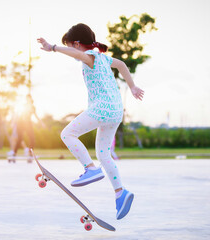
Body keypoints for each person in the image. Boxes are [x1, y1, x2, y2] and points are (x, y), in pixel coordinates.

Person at [37, 23, 144, 220]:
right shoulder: (103, 58)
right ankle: (121, 193)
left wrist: (53, 48)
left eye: (69, 46)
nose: (70, 49)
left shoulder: (90, 57)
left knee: (67, 134)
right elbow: (121, 65)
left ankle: (90, 169)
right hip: (115, 110)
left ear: (76, 44)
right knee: (104, 154)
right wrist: (133, 86)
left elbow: (78, 55)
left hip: (102, 108)